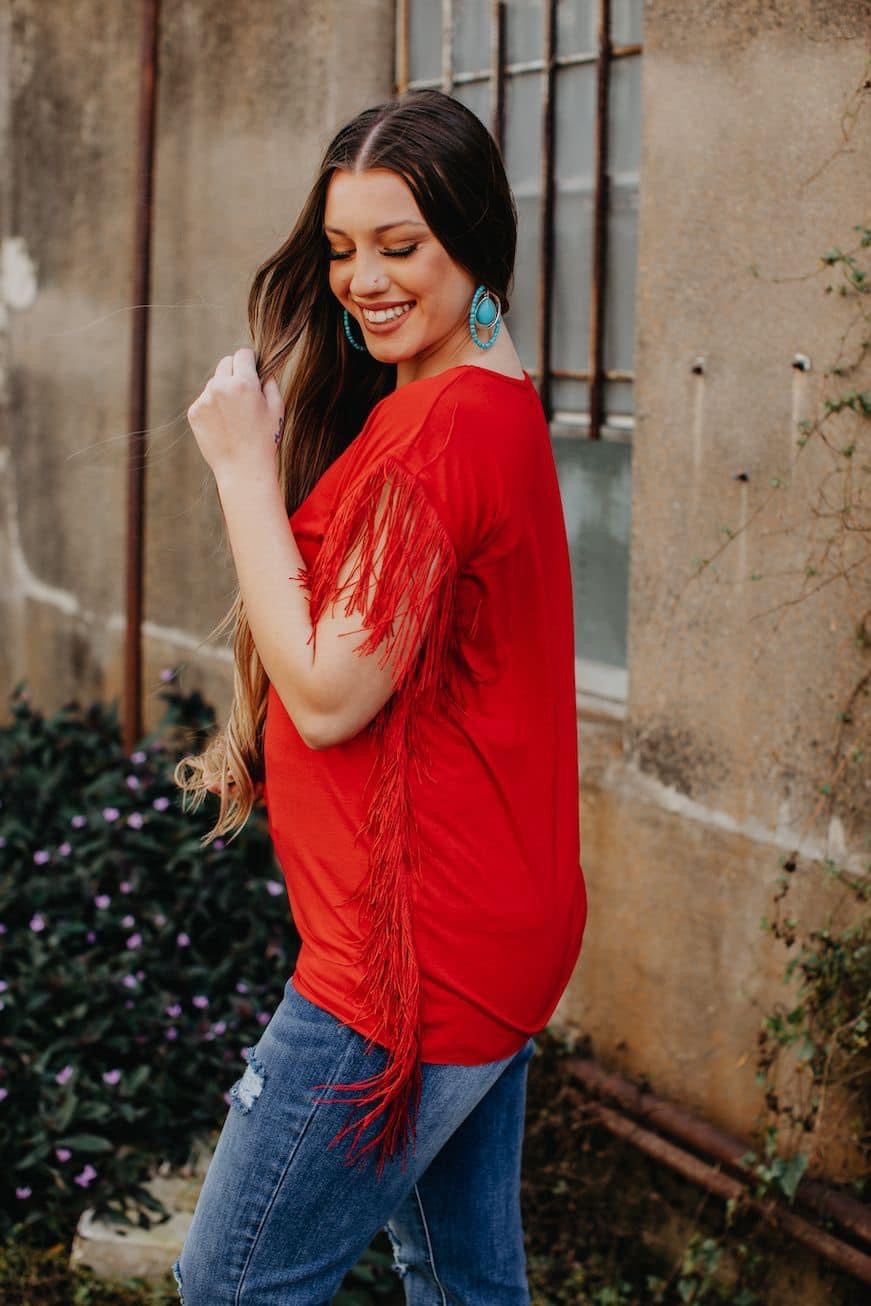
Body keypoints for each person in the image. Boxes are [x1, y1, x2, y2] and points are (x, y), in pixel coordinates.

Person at [170, 87, 587, 1306]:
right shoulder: (474, 391)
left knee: (229, 1284)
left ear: (474, 239)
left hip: (411, 960)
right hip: (488, 919)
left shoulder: (446, 432)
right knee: (459, 1282)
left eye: (400, 246)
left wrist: (246, 470)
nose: (363, 280)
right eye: (343, 249)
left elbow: (334, 694)